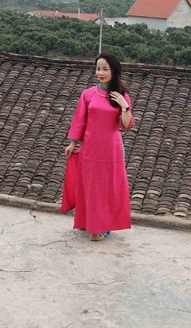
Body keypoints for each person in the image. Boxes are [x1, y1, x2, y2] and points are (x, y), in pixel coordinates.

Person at [64, 53, 135, 241]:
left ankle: (101, 225)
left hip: (112, 150)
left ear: (113, 71)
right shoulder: (88, 94)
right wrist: (73, 143)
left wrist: (124, 106)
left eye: (105, 69)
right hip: (90, 148)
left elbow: (126, 125)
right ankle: (94, 227)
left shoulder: (122, 95)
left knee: (108, 187)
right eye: (98, 69)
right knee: (91, 186)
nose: (100, 72)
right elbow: (80, 120)